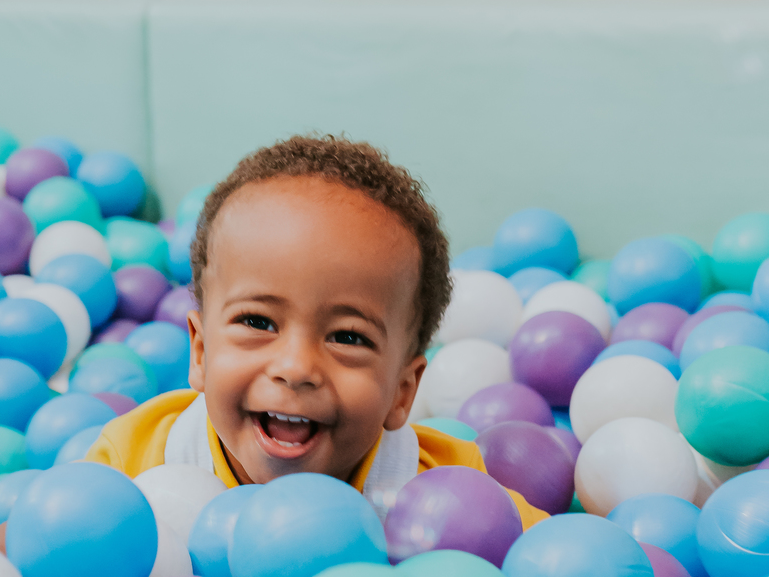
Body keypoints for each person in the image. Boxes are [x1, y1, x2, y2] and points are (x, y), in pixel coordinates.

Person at [86, 135, 546, 526]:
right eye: (258, 322)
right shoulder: (138, 462)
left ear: (402, 392)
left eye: (347, 337)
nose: (296, 367)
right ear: (201, 353)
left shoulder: (445, 494)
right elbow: (26, 551)